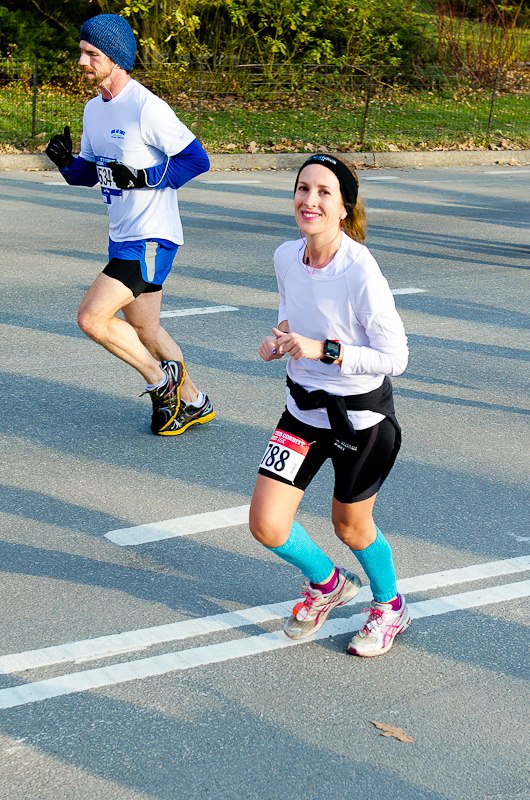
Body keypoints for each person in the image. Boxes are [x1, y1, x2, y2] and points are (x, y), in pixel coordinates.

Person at [249, 153, 411, 657]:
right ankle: (328, 584)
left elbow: (396, 358)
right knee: (267, 524)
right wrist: (279, 339)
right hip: (301, 412)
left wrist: (324, 350)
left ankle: (390, 605)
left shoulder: (360, 271)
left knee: (351, 528)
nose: (310, 201)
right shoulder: (285, 256)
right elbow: (292, 313)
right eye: (303, 188)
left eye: (324, 192)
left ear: (344, 208)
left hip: (359, 421)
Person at [45, 13, 214, 436]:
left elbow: (197, 160)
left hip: (151, 237)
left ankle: (160, 381)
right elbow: (93, 173)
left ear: (116, 58)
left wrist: (143, 177)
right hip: (121, 235)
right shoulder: (93, 110)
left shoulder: (146, 107)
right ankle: (195, 402)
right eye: (81, 52)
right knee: (145, 329)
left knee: (92, 318)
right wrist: (66, 163)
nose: (82, 61)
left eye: (91, 54)